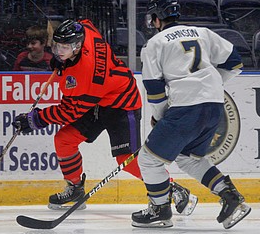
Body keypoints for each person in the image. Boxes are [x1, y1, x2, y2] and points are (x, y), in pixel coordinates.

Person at [12, 18, 197, 213]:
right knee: (64, 139)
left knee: (126, 159)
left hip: (121, 102)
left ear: (77, 46)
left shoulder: (86, 74)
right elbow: (85, 22)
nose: (58, 51)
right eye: (57, 46)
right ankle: (75, 189)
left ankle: (172, 188)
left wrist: (37, 119)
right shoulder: (85, 32)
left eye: (64, 48)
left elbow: (70, 111)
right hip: (98, 99)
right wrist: (62, 57)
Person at [131, 0, 251, 229]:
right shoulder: (202, 32)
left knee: (147, 159)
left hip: (186, 108)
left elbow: (154, 90)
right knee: (189, 158)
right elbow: (235, 62)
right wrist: (209, 86)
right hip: (215, 106)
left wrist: (160, 116)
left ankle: (160, 210)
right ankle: (230, 197)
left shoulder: (154, 44)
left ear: (156, 19)